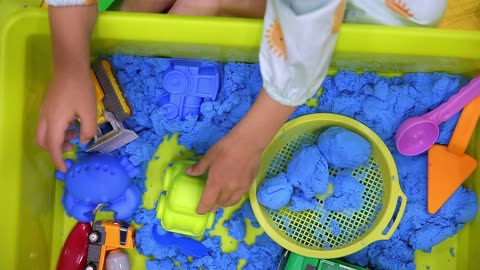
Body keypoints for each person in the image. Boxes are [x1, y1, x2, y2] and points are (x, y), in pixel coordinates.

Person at [36, 0, 447, 215]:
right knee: (138, 16)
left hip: (361, 11)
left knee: (194, 13)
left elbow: (307, 35)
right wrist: (69, 59)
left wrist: (252, 138)